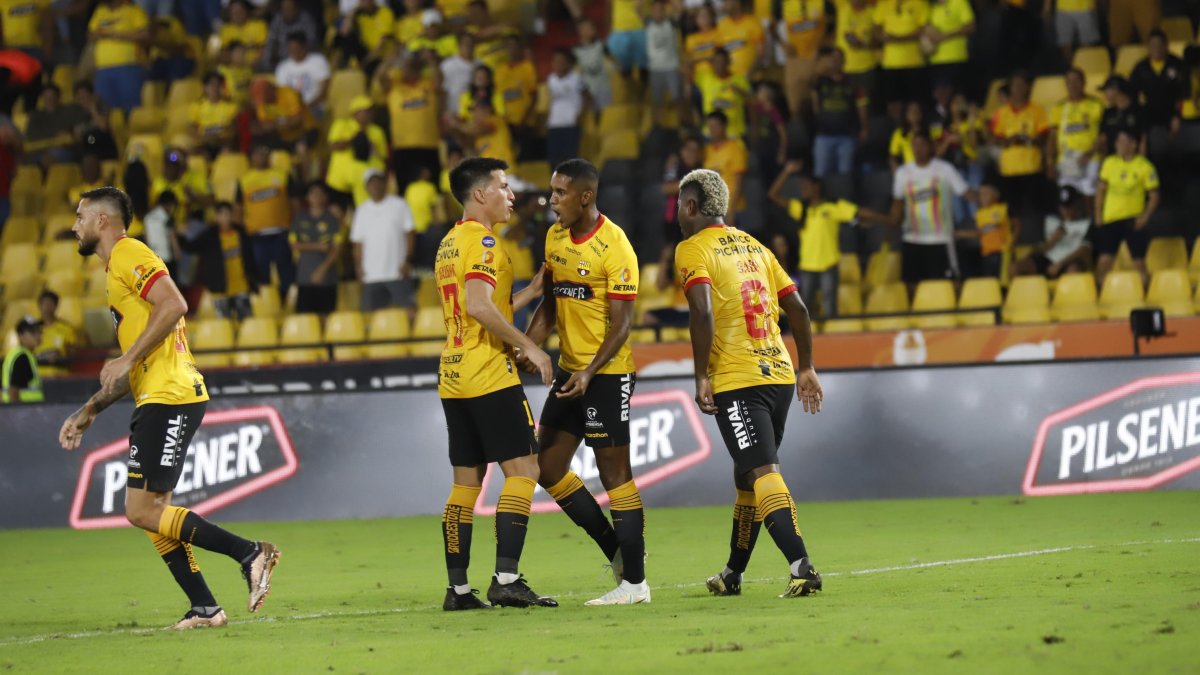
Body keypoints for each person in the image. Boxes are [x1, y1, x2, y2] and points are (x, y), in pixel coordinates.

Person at [59, 186, 279, 630]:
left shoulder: (126, 252)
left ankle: (251, 552)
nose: (74, 225)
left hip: (170, 395)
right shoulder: (115, 269)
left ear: (103, 221)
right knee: (158, 513)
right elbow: (134, 366)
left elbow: (175, 303)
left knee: (140, 510)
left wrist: (126, 357)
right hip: (159, 393)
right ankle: (205, 607)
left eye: (81, 216)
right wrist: (91, 409)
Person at [672, 168, 824, 599]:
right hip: (777, 374)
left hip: (737, 379)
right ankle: (733, 573)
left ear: (691, 206)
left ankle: (802, 566)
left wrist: (701, 374)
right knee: (747, 478)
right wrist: (806, 367)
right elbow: (797, 307)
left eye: (678, 205)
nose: (676, 214)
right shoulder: (754, 246)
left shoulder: (691, 248)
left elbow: (701, 313)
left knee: (762, 471)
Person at [521, 159, 648, 606]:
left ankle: (636, 585)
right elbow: (552, 305)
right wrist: (529, 348)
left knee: (615, 475)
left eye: (559, 193)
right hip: (572, 371)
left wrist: (590, 372)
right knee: (548, 468)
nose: (551, 200)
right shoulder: (555, 236)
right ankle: (617, 552)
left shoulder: (616, 246)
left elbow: (623, 324)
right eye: (551, 191)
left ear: (585, 196)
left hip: (607, 374)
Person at [435, 157, 557, 610]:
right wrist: (531, 346)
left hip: (453, 374)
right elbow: (480, 307)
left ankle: (458, 590)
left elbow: (481, 304)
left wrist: (530, 292)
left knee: (465, 485)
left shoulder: (451, 242)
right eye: (504, 187)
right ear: (480, 194)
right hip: (489, 372)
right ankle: (506, 578)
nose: (511, 195)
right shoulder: (485, 241)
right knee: (525, 471)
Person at [768, 162, 890, 317]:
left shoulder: (833, 206)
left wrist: (887, 220)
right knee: (805, 308)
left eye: (806, 185)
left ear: (816, 187)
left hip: (828, 264)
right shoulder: (801, 208)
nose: (802, 188)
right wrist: (786, 171)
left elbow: (861, 213)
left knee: (829, 307)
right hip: (807, 265)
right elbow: (773, 194)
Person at [889, 131, 976, 286]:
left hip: (940, 239)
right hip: (912, 239)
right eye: (914, 145)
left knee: (949, 286)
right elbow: (897, 204)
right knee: (910, 286)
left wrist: (987, 204)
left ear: (931, 147)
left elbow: (966, 193)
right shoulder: (902, 173)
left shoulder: (945, 169)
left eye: (922, 145)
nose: (918, 149)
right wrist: (891, 222)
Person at [1093, 129, 1159, 285]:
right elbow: (1100, 190)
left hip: (1133, 220)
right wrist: (1098, 214)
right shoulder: (1110, 163)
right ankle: (1100, 298)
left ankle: (1147, 297)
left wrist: (1145, 217)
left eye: (1122, 141)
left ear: (1133, 144)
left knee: (1138, 264)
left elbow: (1154, 196)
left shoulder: (1144, 166)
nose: (1118, 145)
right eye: (1117, 141)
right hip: (1111, 219)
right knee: (1104, 263)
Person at [351, 169, 416, 316]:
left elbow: (410, 235)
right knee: (369, 316)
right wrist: (358, 267)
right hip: (371, 275)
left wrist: (407, 261)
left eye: (378, 182)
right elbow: (357, 243)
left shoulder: (400, 205)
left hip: (397, 272)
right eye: (371, 183)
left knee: (409, 312)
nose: (375, 186)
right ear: (366, 187)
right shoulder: (361, 210)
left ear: (384, 184)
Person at [236, 144, 295, 299]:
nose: (262, 156)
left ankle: (286, 303)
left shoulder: (283, 175)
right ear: (251, 157)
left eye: (265, 152)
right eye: (257, 153)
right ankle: (266, 306)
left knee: (286, 273)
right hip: (257, 236)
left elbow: (294, 202)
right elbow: (237, 209)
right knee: (262, 275)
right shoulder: (244, 180)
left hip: (281, 232)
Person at [991, 71, 1049, 230]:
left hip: (1032, 168)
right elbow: (996, 138)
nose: (1019, 89)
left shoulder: (1038, 110)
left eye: (1022, 85)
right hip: (1009, 170)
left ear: (1028, 87)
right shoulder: (1001, 113)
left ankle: (1037, 238)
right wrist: (1009, 140)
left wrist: (1029, 139)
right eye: (1015, 85)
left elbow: (1044, 136)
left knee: (1036, 210)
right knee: (1013, 212)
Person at [385, 53, 441, 195]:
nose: (407, 68)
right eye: (404, 65)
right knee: (404, 190)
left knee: (433, 189)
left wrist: (428, 59)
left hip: (428, 145)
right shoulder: (394, 87)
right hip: (403, 147)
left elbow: (439, 80)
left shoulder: (427, 82)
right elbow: (380, 78)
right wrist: (389, 62)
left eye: (410, 64)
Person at [1011, 184, 1093, 279]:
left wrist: (1060, 264)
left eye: (1069, 207)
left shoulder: (1087, 224)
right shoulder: (1052, 221)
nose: (1065, 211)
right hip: (1048, 260)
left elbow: (1085, 249)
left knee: (1074, 270)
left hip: (1069, 261)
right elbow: (1038, 250)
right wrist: (1053, 240)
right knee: (1015, 267)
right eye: (1063, 207)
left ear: (1077, 204)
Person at [812, 47, 868, 178]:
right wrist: (819, 64)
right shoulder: (820, 80)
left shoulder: (853, 82)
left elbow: (862, 107)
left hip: (846, 136)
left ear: (844, 61)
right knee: (820, 174)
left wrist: (864, 128)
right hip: (824, 135)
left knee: (845, 175)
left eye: (838, 58)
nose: (835, 61)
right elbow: (811, 84)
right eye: (833, 58)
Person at [1047, 68, 1103, 197]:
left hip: (1091, 157)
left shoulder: (1096, 105)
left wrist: (1094, 153)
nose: (1073, 85)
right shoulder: (1059, 108)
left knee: (1089, 193)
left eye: (1076, 81)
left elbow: (1103, 135)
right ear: (1065, 84)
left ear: (1084, 82)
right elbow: (1053, 137)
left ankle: (1091, 218)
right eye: (1069, 81)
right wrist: (1050, 160)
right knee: (1068, 195)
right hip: (1068, 159)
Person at [88, 0, 150, 115]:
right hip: (103, 69)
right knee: (105, 110)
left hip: (128, 66)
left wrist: (119, 35)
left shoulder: (133, 10)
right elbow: (90, 35)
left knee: (131, 109)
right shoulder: (100, 11)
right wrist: (96, 34)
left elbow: (145, 34)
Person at [291, 182, 341, 315]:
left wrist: (322, 270)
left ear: (325, 197)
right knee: (306, 319)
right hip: (304, 278)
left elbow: (337, 249)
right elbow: (293, 244)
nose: (316, 196)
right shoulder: (299, 218)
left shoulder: (332, 220)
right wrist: (318, 246)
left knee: (327, 317)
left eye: (320, 193)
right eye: (313, 193)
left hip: (327, 279)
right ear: (307, 197)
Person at [1129, 29, 1188, 136]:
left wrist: (1177, 115)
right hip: (1149, 114)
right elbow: (1132, 93)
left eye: (1159, 45)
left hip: (1173, 113)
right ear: (1147, 47)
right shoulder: (1141, 67)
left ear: (1166, 46)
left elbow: (1184, 93)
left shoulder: (1178, 64)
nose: (1156, 48)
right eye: (1152, 45)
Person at [960, 181, 1017, 278]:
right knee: (990, 280)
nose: (983, 197)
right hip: (987, 252)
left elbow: (1017, 224)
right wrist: (960, 234)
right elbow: (979, 233)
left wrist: (1012, 241)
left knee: (1003, 280)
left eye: (986, 194)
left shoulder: (1003, 208)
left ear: (996, 195)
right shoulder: (979, 214)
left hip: (1003, 252)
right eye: (981, 194)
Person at [703, 111, 747, 228]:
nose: (712, 130)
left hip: (733, 209)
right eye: (710, 126)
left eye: (716, 126)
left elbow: (739, 182)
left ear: (724, 126)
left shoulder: (735, 148)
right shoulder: (706, 150)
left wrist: (731, 211)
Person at [695, 48, 750, 141]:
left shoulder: (739, 79)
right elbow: (684, 68)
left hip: (734, 133)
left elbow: (753, 101)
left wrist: (740, 91)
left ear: (728, 62)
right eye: (716, 61)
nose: (719, 65)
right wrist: (704, 59)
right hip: (710, 133)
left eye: (722, 61)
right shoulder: (705, 78)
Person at [274, 31, 330, 116]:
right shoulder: (283, 67)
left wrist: (305, 108)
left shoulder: (318, 61)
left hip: (315, 108)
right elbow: (282, 94)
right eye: (290, 48)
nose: (293, 51)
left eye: (296, 48)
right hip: (291, 110)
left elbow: (323, 93)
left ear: (304, 46)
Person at [546, 48, 584, 170]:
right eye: (555, 61)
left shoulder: (577, 79)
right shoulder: (551, 79)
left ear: (569, 63)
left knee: (569, 161)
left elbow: (587, 97)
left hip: (570, 124)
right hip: (554, 124)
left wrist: (580, 115)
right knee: (553, 160)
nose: (558, 64)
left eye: (561, 61)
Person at [189, 72, 239, 159]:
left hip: (223, 143)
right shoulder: (196, 106)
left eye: (218, 85)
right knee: (196, 155)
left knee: (227, 152)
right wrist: (203, 138)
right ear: (205, 87)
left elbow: (232, 129)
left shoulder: (231, 107)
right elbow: (192, 128)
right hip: (203, 143)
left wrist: (218, 137)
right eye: (211, 84)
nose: (215, 88)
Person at [259, 0, 317, 71]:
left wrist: (296, 61)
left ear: (297, 9)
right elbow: (270, 45)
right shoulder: (277, 20)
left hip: (302, 62)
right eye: (285, 9)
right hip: (281, 62)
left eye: (290, 9)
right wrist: (267, 65)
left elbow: (311, 44)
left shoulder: (306, 20)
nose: (287, 12)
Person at [35, 290, 81, 377]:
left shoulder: (67, 329)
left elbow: (73, 354)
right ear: (39, 306)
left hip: (60, 376)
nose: (47, 307)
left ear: (56, 306)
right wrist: (44, 355)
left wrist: (59, 355)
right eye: (44, 304)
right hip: (38, 377)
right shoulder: (33, 329)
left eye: (50, 304)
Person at [716, 0, 762, 80]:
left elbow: (760, 53)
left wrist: (750, 73)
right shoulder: (721, 25)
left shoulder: (752, 22)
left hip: (751, 78)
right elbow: (719, 54)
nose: (724, 4)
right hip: (729, 80)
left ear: (737, 2)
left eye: (727, 1)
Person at [3, 316, 42, 403]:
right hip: (24, 414)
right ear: (21, 335)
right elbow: (13, 392)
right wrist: (18, 415)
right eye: (32, 332)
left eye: (39, 331)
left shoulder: (16, 354)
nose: (38, 335)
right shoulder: (22, 358)